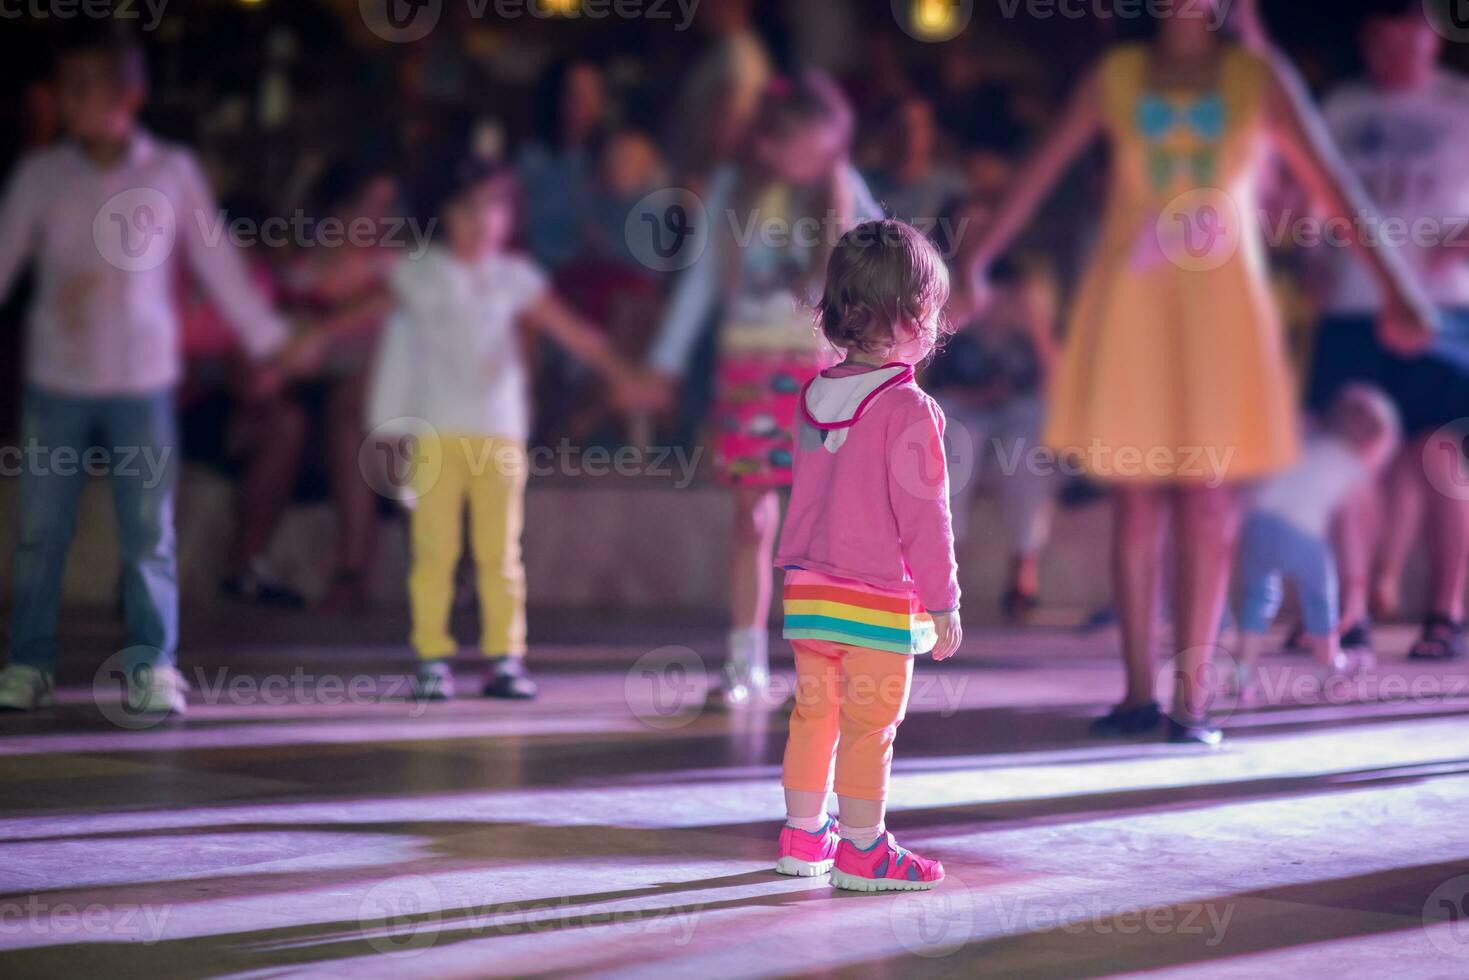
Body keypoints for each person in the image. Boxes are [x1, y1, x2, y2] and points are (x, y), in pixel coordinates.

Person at [958, 2, 1434, 744]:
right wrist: (969, 261)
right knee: (1139, 500)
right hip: (1133, 307)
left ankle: (1193, 702)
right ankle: (1137, 695)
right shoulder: (1114, 76)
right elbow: (1034, 175)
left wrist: (1399, 289)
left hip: (1218, 314)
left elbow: (1334, 185)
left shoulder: (1256, 76)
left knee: (1207, 503)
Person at [0, 29, 300, 715]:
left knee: (148, 532)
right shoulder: (40, 176)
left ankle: (152, 664)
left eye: (83, 88)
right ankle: (29, 661)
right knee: (41, 530)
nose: (67, 102)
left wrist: (269, 338)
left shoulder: (169, 171)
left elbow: (216, 259)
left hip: (142, 381)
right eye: (64, 88)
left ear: (125, 97)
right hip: (57, 380)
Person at [366, 160, 652, 702]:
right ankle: (432, 656)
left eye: (494, 208)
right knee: (434, 551)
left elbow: (572, 332)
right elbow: (387, 338)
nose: (481, 221)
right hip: (435, 435)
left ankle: (505, 657)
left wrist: (625, 374)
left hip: (497, 435)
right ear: (444, 214)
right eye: (467, 208)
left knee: (499, 551)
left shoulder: (513, 277)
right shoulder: (419, 272)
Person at [645, 72, 882, 708]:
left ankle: (826, 659)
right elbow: (698, 284)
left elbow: (883, 261)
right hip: (749, 370)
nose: (823, 161)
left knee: (822, 523)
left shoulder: (842, 190)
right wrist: (664, 362)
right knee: (752, 516)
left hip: (817, 374)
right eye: (813, 147)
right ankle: (742, 658)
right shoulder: (731, 191)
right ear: (774, 142)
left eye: (832, 149)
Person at [773, 219, 960, 893]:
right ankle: (862, 849)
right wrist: (943, 602)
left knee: (812, 715)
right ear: (908, 319)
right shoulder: (908, 407)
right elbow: (924, 517)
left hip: (807, 595)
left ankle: (801, 834)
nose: (937, 326)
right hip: (876, 600)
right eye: (933, 313)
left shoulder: (814, 393)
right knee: (868, 730)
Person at [1307, 0, 1469, 662]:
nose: (1390, 53)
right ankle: (1348, 611)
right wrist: (1308, 255)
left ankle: (1444, 612)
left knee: (1441, 461)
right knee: (1349, 459)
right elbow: (1307, 194)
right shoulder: (1338, 108)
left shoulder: (1459, 104)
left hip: (1441, 309)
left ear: (1431, 39)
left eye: (1404, 39)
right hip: (1351, 306)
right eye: (1377, 40)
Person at [929, 195, 1059, 621]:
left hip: (1015, 409)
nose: (978, 240)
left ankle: (1024, 566)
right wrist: (959, 314)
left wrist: (1028, 322)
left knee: (1029, 446)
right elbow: (915, 372)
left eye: (987, 229)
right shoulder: (930, 286)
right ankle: (945, 576)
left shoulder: (1022, 290)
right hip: (958, 406)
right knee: (947, 438)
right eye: (966, 230)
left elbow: (1052, 373)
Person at [1233, 386, 1400, 703]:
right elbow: (1349, 535)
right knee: (1320, 598)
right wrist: (1355, 586)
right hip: (1302, 534)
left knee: (1258, 596)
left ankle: (1243, 669)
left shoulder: (1303, 438)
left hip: (1257, 526)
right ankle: (1328, 665)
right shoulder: (1352, 470)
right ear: (1370, 444)